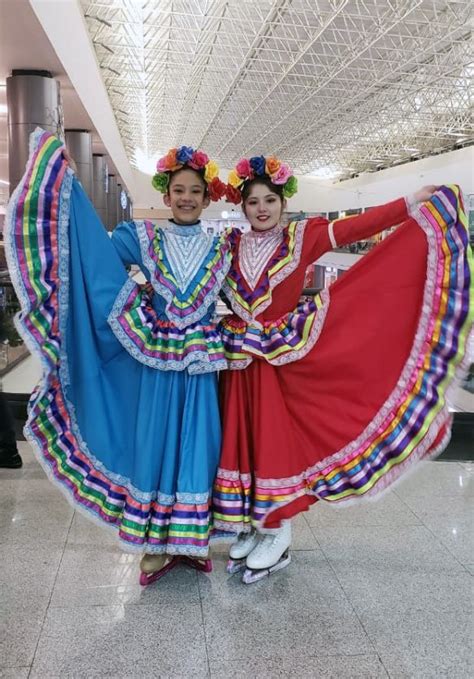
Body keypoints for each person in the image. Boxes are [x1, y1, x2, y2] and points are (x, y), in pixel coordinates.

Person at [214, 155, 473, 584]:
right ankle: (252, 524)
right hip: (239, 359)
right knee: (241, 442)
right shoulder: (229, 245)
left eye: (270, 200)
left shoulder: (302, 236)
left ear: (283, 202)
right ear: (243, 208)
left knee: (274, 443)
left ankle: (278, 530)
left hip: (282, 360)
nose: (262, 208)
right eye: (254, 202)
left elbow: (359, 226)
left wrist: (411, 202)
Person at [6, 130, 230, 585]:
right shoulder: (141, 236)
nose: (186, 198)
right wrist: (65, 182)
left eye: (195, 192)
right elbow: (94, 259)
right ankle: (154, 540)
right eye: (179, 190)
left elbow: (248, 292)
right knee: (154, 441)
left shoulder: (224, 246)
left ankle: (189, 538)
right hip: (155, 361)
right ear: (166, 193)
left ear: (207, 199)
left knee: (198, 442)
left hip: (202, 364)